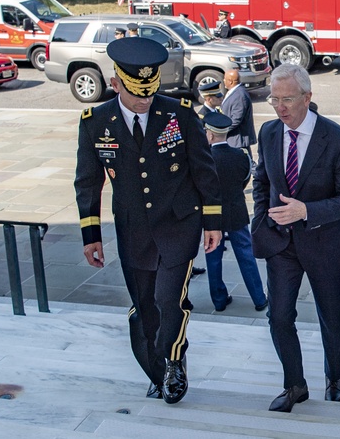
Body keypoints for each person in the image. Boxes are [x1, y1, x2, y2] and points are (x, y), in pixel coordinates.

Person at [74, 37, 223, 405]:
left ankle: (173, 363)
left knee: (169, 301)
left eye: (150, 90)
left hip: (178, 225)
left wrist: (213, 221)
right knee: (145, 312)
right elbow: (88, 181)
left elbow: (205, 171)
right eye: (136, 92)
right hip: (133, 232)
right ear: (115, 83)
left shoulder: (180, 113)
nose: (145, 99)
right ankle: (158, 371)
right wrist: (90, 235)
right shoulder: (96, 122)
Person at [252, 64, 340, 412]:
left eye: (287, 99)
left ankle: (334, 377)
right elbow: (262, 182)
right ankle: (295, 384)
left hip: (324, 243)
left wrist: (307, 211)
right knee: (279, 316)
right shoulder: (269, 132)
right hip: (281, 244)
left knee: (331, 316)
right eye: (274, 99)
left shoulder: (339, 140)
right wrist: (261, 219)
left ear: (308, 97)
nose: (280, 107)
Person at [200, 110, 268, 313]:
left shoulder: (205, 158)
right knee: (246, 256)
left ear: (210, 135)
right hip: (236, 211)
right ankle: (258, 298)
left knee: (213, 257)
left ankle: (219, 300)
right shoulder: (241, 155)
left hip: (213, 217)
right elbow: (245, 179)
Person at [221, 68, 256, 155]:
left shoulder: (239, 95)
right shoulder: (234, 92)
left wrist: (220, 131)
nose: (223, 81)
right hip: (233, 140)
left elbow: (236, 119)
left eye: (225, 79)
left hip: (238, 142)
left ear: (230, 81)